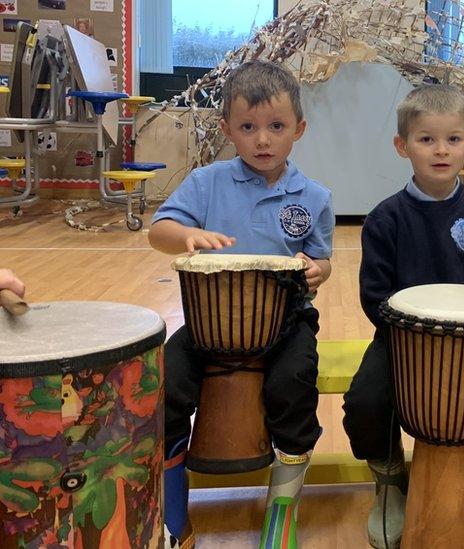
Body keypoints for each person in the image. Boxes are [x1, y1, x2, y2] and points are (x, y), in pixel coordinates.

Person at [147, 60, 334, 549]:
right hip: (210, 326)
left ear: (299, 129)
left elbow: (321, 258)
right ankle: (173, 511)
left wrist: (318, 270)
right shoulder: (207, 182)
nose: (262, 140)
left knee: (294, 385)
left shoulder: (312, 197)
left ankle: (283, 507)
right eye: (248, 128)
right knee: (166, 387)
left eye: (276, 127)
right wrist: (188, 233)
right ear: (227, 128)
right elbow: (159, 231)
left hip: (287, 320)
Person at [341, 84, 464, 548]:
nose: (441, 150)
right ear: (402, 146)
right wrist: (416, 329)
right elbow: (375, 297)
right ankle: (389, 482)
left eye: (452, 139)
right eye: (426, 139)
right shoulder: (386, 218)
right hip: (405, 345)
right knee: (366, 403)